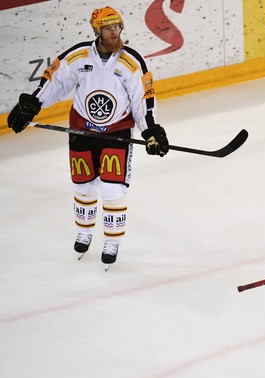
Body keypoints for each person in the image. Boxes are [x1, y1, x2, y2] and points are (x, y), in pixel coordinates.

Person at [7, 6, 169, 268]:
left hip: (117, 132)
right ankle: (84, 232)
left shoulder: (132, 62)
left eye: (117, 26)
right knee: (83, 186)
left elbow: (143, 101)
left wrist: (150, 130)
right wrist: (31, 105)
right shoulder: (78, 57)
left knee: (113, 188)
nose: (115, 32)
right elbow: (54, 82)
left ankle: (112, 242)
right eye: (108, 28)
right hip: (81, 129)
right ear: (97, 31)